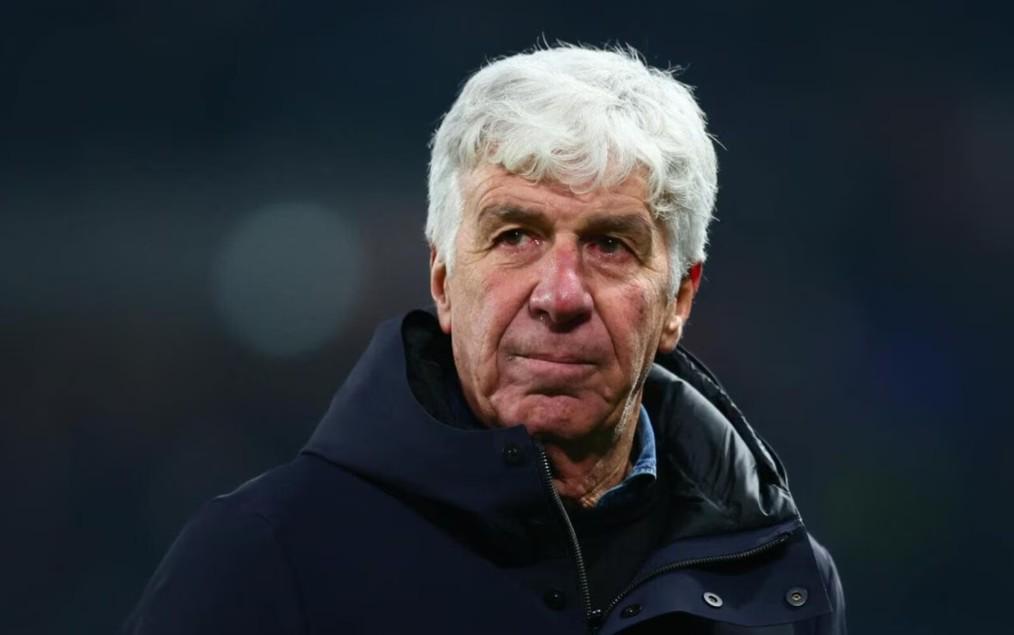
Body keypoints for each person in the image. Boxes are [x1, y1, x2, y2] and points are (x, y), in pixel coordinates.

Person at [126, 44, 846, 634]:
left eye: (610, 245)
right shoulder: (265, 558)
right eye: (515, 236)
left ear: (678, 300)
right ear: (442, 279)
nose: (559, 295)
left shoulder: (779, 584)